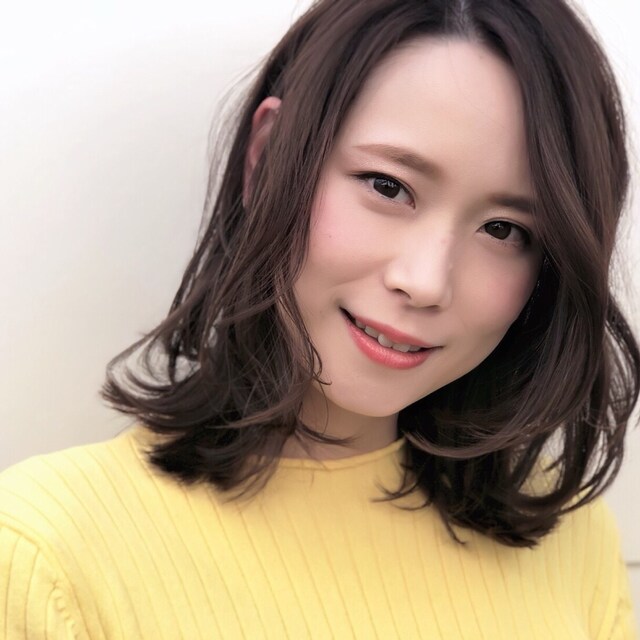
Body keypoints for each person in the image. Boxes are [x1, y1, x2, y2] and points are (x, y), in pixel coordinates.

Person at [1, 0, 639, 637]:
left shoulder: (567, 539)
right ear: (268, 157)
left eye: (503, 230)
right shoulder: (48, 556)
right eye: (387, 186)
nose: (425, 281)